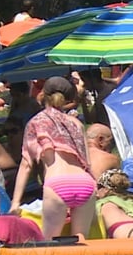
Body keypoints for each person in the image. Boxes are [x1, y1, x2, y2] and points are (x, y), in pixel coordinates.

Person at [10, 76, 96, 240]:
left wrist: (15, 203)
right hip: (85, 183)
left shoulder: (36, 122)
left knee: (49, 243)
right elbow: (87, 162)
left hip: (58, 182)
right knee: (81, 241)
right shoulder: (76, 123)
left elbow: (26, 165)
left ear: (42, 94)